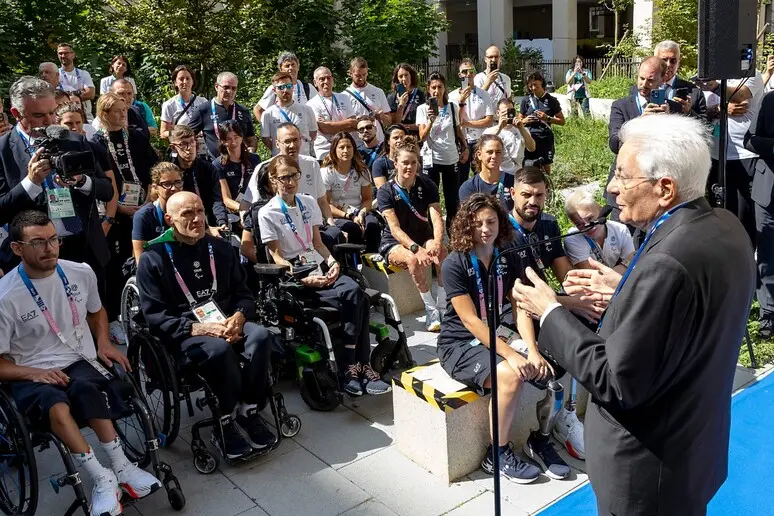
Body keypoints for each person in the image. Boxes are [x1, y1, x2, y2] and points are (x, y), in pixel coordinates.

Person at [515, 114, 756, 515]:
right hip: (693, 448)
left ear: (665, 188)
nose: (611, 187)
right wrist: (627, 289)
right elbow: (688, 315)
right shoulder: (725, 226)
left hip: (646, 474)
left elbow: (617, 381)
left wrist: (551, 312)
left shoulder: (667, 261)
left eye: (624, 177)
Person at [0, 211, 163, 516]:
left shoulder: (79, 272)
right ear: (17, 248)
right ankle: (101, 479)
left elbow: (96, 311)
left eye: (53, 239)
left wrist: (103, 342)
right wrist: (35, 373)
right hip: (30, 370)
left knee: (88, 389)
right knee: (57, 406)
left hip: (79, 358)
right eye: (38, 242)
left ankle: (122, 468)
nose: (49, 248)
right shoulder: (5, 297)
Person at [137, 191, 278, 458]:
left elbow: (244, 294)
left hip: (227, 320)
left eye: (200, 211)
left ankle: (249, 408)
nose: (197, 219)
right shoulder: (152, 259)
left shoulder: (222, 248)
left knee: (260, 336)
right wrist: (203, 328)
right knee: (218, 350)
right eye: (187, 214)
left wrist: (239, 316)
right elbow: (155, 316)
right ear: (170, 219)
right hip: (187, 330)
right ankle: (224, 418)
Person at [257, 156, 391, 396]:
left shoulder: (308, 203)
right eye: (283, 177)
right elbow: (276, 256)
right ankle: (356, 367)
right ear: (273, 180)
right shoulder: (268, 212)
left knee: (355, 292)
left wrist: (332, 262)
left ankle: (354, 367)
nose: (289, 182)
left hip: (317, 262)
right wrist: (300, 278)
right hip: (295, 273)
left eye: (293, 176)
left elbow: (317, 243)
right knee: (355, 300)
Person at [437, 194, 542, 484]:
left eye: (491, 221)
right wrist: (511, 354)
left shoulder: (506, 254)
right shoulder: (455, 263)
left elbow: (519, 305)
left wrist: (531, 350)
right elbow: (470, 320)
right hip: (460, 343)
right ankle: (497, 454)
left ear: (501, 222)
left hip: (496, 332)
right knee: (510, 375)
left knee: (544, 353)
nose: (485, 228)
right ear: (466, 226)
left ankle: (545, 433)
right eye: (477, 223)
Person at [505, 166, 594, 472]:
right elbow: (516, 296)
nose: (534, 201)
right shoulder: (500, 231)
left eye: (540, 195)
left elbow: (564, 273)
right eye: (526, 194)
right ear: (513, 193)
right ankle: (542, 436)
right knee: (551, 359)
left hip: (545, 304)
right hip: (512, 314)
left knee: (596, 324)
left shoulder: (548, 224)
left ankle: (569, 415)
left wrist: (586, 294)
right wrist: (573, 303)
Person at [0, 77, 112, 286]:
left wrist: (81, 181)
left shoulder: (75, 140)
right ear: (16, 114)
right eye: (39, 115)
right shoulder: (3, 150)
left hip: (84, 248)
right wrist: (31, 183)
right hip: (33, 259)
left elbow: (107, 191)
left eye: (52, 112)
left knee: (95, 316)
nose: (50, 121)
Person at [90, 93, 158, 343]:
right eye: (117, 111)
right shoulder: (97, 142)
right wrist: (117, 208)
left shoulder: (138, 135)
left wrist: (149, 199)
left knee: (146, 256)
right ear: (104, 114)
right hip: (116, 211)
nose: (123, 115)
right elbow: (102, 182)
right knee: (117, 263)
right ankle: (116, 318)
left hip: (143, 204)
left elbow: (153, 167)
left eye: (125, 110)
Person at [376, 136, 447, 331]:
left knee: (442, 253)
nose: (409, 167)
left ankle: (443, 305)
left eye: (413, 162)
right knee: (413, 260)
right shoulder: (385, 191)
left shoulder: (427, 185)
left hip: (423, 235)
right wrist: (416, 249)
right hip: (394, 242)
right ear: (395, 163)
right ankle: (430, 308)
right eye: (405, 162)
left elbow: (436, 218)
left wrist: (437, 242)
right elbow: (394, 228)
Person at [241, 123, 341, 253]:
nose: (292, 145)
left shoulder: (312, 164)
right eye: (287, 141)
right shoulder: (264, 168)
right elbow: (248, 204)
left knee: (338, 233)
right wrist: (247, 227)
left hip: (311, 226)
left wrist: (331, 223)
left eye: (295, 140)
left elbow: (322, 200)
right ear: (277, 144)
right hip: (283, 231)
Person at [605, 57, 680, 222]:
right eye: (641, 78)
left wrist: (671, 121)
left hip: (655, 191)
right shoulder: (621, 106)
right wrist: (639, 121)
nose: (644, 84)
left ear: (663, 79)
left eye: (651, 80)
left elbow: (680, 148)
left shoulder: (673, 109)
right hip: (624, 187)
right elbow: (614, 142)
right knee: (622, 240)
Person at [416, 72, 468, 229]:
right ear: (428, 88)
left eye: (439, 87)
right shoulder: (422, 109)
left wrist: (465, 148)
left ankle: (453, 234)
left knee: (452, 200)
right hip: (430, 158)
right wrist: (431, 120)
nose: (436, 91)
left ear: (445, 89)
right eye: (433, 87)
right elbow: (422, 137)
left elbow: (458, 131)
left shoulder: (452, 107)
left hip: (450, 157)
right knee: (431, 198)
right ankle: (432, 233)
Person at [743, 87, 774, 337]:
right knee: (766, 255)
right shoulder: (769, 100)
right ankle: (768, 313)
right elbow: (749, 139)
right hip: (767, 193)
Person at [321, 132, 380, 252]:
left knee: (373, 225)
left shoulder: (362, 171)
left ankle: (370, 258)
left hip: (358, 211)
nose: (345, 151)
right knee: (352, 228)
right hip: (337, 214)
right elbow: (325, 204)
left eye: (349, 147)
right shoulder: (327, 172)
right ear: (334, 150)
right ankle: (352, 261)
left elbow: (367, 198)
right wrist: (349, 216)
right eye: (341, 147)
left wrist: (362, 213)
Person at [168, 125, 228, 229]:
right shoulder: (170, 172)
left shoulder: (208, 168)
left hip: (208, 219)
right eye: (183, 144)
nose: (189, 148)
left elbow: (216, 200)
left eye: (192, 142)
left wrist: (221, 222)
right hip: (181, 221)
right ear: (174, 147)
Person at [189, 72, 256, 160]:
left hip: (240, 163)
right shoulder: (203, 110)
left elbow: (251, 138)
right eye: (226, 87)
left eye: (234, 88)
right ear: (216, 87)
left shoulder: (243, 111)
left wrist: (251, 149)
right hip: (214, 165)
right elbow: (188, 135)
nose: (230, 91)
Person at [563, 191, 635, 272]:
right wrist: (623, 267)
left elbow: (632, 261)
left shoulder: (620, 229)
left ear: (600, 210)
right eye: (579, 224)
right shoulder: (572, 239)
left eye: (590, 218)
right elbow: (591, 275)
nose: (588, 226)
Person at [449, 59, 495, 185]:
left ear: (475, 73)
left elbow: (489, 120)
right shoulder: (452, 96)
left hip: (479, 141)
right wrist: (461, 100)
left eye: (471, 71)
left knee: (481, 177)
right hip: (461, 141)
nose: (468, 74)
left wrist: (468, 123)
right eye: (464, 71)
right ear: (460, 75)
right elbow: (452, 121)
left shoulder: (483, 94)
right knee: (461, 178)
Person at [132, 162, 185, 260]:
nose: (173, 188)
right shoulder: (143, 216)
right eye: (167, 184)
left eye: (178, 182)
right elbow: (140, 259)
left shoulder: (189, 208)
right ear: (155, 188)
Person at [260, 72, 317, 157]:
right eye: (281, 87)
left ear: (293, 88)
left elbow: (313, 133)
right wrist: (279, 149)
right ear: (274, 90)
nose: (285, 90)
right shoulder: (268, 114)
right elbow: (266, 139)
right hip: (281, 161)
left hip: (303, 158)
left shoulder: (307, 110)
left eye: (288, 86)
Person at [214, 120, 260, 223]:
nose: (233, 142)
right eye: (228, 139)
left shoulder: (254, 159)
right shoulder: (218, 165)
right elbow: (226, 199)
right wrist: (244, 209)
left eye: (236, 137)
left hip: (254, 207)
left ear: (241, 137)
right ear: (222, 141)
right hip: (235, 212)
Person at [308, 67, 357, 162]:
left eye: (329, 78)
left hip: (345, 149)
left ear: (333, 80)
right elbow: (325, 129)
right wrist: (348, 122)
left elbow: (354, 125)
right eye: (322, 79)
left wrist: (332, 125)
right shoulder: (311, 104)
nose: (326, 81)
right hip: (325, 151)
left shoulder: (344, 98)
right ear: (315, 82)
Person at [520, 71, 564, 174]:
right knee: (529, 165)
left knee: (545, 165)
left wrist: (547, 118)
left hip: (545, 138)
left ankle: (547, 188)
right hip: (529, 137)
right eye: (530, 86)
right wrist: (525, 121)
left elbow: (562, 121)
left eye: (535, 85)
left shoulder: (552, 100)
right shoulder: (526, 100)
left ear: (541, 83)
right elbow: (519, 120)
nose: (533, 88)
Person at [253, 51, 318, 122]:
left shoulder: (308, 87)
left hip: (303, 131)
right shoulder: (275, 88)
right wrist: (268, 128)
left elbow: (318, 108)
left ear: (298, 67)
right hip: (282, 130)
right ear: (280, 69)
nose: (291, 68)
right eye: (287, 66)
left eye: (293, 65)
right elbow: (258, 110)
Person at [653, 40, 706, 119]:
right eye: (664, 60)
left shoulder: (694, 91)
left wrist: (689, 112)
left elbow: (706, 126)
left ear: (678, 62)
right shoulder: (644, 89)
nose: (668, 64)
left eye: (673, 61)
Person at [458, 134, 514, 211]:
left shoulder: (513, 182)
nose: (494, 156)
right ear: (479, 155)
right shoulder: (469, 187)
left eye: (498, 152)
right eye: (490, 152)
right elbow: (468, 218)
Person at [344, 57, 392, 144]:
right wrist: (356, 123)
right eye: (357, 75)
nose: (361, 78)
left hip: (378, 142)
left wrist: (382, 116)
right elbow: (344, 125)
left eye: (364, 74)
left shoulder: (378, 91)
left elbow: (388, 122)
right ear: (350, 73)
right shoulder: (344, 96)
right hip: (356, 144)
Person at [160, 65, 208, 150]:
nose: (185, 82)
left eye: (188, 78)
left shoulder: (203, 102)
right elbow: (163, 133)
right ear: (175, 82)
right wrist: (180, 134)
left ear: (193, 81)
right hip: (181, 150)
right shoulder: (169, 105)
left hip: (201, 150)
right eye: (181, 79)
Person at [484, 98, 535, 174]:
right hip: (498, 173)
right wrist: (500, 127)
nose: (507, 115)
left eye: (510, 111)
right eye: (504, 113)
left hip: (517, 173)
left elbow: (532, 148)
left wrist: (521, 128)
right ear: (498, 113)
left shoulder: (522, 129)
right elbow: (483, 146)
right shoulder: (490, 131)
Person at [56, 43, 95, 121]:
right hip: (63, 118)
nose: (63, 56)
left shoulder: (83, 73)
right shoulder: (55, 74)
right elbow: (54, 96)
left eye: (66, 53)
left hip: (86, 117)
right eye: (60, 53)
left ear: (73, 54)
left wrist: (65, 96)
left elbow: (91, 94)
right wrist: (79, 92)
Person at [387, 63, 425, 135]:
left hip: (417, 137)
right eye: (400, 76)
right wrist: (401, 105)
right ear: (397, 79)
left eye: (406, 75)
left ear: (411, 76)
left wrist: (406, 126)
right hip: (400, 137)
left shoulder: (422, 95)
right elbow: (394, 123)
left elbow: (424, 123)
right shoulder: (392, 97)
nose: (404, 79)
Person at [372, 124, 407, 190]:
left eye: (402, 137)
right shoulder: (379, 163)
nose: (399, 140)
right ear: (388, 141)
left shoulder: (413, 161)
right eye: (396, 138)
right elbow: (383, 190)